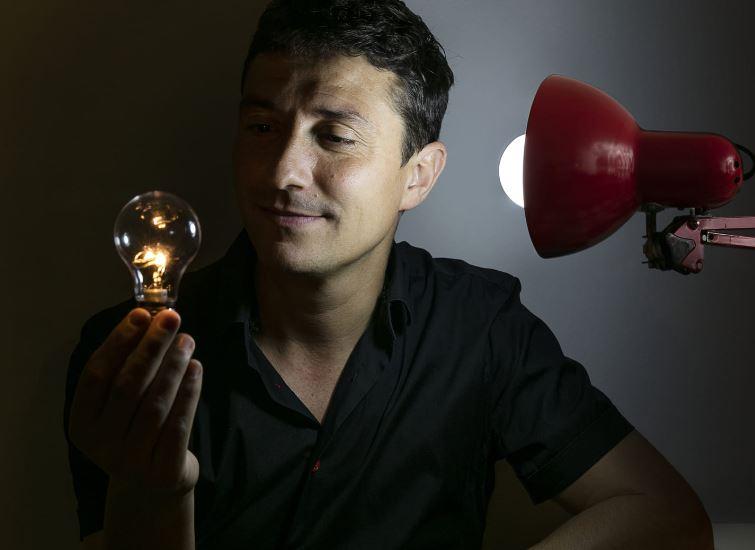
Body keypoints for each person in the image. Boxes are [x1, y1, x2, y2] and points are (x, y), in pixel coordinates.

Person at [63, 1, 714, 549]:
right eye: (262, 126)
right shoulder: (131, 360)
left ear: (418, 176)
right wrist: (155, 496)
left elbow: (668, 517)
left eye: (334, 137)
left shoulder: (479, 326)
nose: (283, 171)